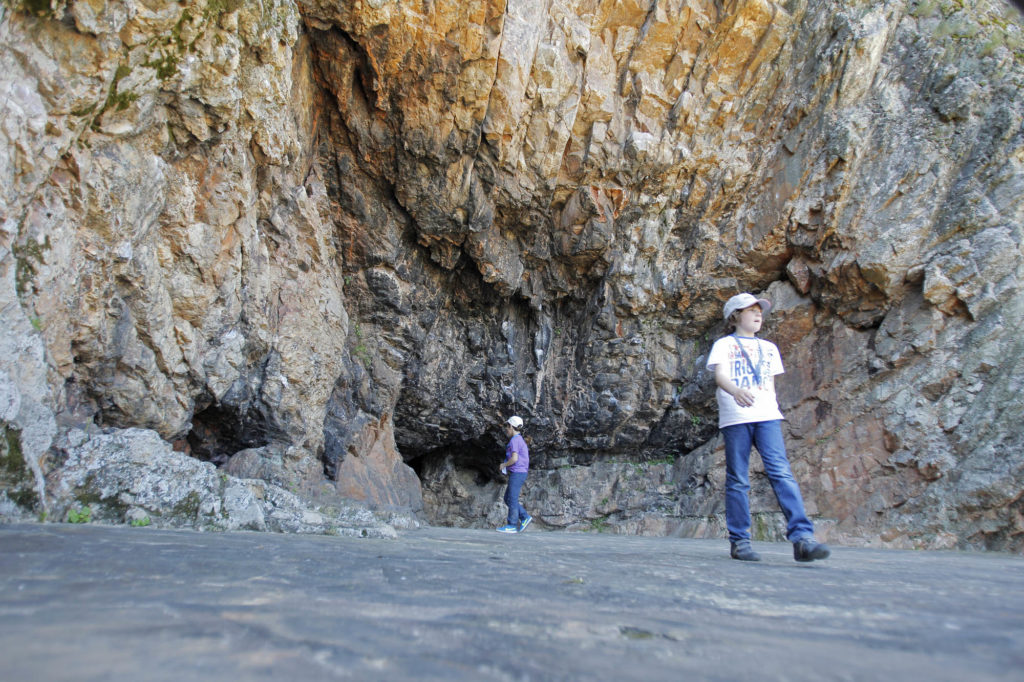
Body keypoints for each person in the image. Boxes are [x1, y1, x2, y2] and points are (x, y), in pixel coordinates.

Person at [705, 293, 831, 562]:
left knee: (781, 473)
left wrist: (772, 410)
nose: (758, 314)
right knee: (738, 479)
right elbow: (720, 375)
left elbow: (770, 385)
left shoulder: (770, 348)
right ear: (735, 316)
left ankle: (803, 539)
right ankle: (740, 542)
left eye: (759, 310)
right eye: (750, 310)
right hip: (736, 416)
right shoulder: (724, 345)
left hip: (767, 416)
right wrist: (736, 391)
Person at [496, 415, 532, 534]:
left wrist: (504, 465)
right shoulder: (518, 439)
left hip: (518, 472)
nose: (506, 428)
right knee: (508, 498)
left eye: (507, 426)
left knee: (512, 498)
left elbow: (515, 458)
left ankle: (512, 525)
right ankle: (525, 517)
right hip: (519, 472)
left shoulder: (515, 440)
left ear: (511, 426)